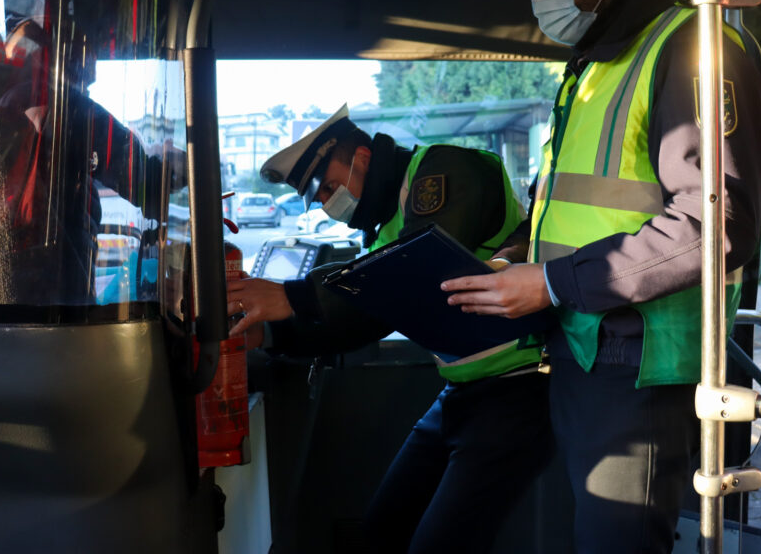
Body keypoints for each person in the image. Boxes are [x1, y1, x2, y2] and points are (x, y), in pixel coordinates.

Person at [442, 0, 761, 553]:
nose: (539, 0)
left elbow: (715, 226)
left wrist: (552, 283)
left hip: (640, 364)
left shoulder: (692, 49)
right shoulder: (593, 64)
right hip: (581, 349)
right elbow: (586, 207)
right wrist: (522, 265)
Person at [227, 105, 553, 553]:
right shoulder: (383, 232)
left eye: (327, 185)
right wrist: (269, 335)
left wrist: (294, 296)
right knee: (379, 533)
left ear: (363, 156)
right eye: (318, 198)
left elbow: (418, 273)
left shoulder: (444, 167)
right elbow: (371, 316)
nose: (326, 202)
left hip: (519, 389)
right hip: (462, 394)